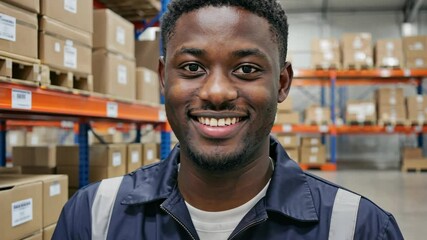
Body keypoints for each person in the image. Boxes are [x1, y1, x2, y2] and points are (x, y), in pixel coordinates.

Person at [53, 0, 404, 239]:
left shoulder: (359, 228)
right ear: (163, 78)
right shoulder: (93, 217)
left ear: (282, 83)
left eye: (246, 69)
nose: (217, 92)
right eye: (192, 67)